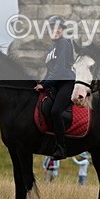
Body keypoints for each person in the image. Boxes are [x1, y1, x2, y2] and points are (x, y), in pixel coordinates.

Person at [34, 16, 75, 160]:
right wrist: (40, 83)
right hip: (56, 83)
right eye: (52, 28)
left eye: (58, 28)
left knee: (56, 110)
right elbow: (50, 71)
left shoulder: (64, 43)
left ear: (62, 30)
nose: (55, 30)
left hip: (66, 82)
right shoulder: (51, 49)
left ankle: (61, 147)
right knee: (45, 108)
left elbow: (59, 69)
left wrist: (45, 84)